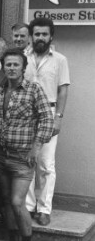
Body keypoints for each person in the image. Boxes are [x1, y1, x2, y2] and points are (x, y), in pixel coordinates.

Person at [0, 49, 54, 241]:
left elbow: (46, 119)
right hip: (1, 154)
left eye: (16, 64)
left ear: (23, 67)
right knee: (6, 202)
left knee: (18, 202)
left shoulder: (34, 89)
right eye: (8, 64)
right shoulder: (0, 90)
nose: (11, 68)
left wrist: (36, 148)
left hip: (22, 158)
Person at [24, 17, 70, 226]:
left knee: (46, 164)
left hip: (49, 113)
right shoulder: (23, 56)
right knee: (28, 160)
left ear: (51, 36)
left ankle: (44, 208)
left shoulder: (60, 59)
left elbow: (63, 90)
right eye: (37, 34)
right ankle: (28, 206)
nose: (40, 37)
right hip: (26, 114)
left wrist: (58, 118)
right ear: (31, 36)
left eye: (44, 34)